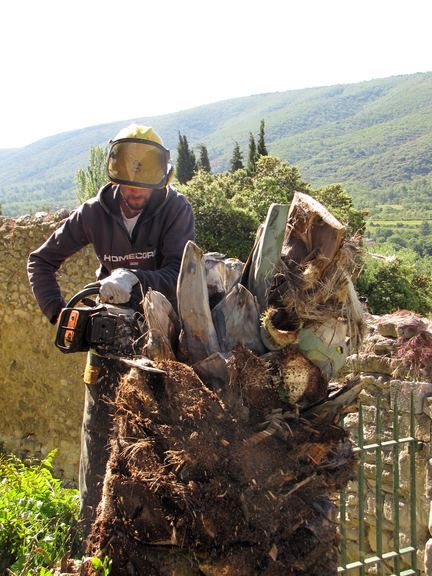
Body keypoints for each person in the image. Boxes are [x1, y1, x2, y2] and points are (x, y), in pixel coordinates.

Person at [27, 124, 195, 536]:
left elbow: (179, 273)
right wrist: (60, 316)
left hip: (159, 344)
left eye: (143, 186)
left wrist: (136, 280)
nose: (134, 193)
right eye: (126, 184)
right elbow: (41, 261)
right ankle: (92, 539)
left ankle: (150, 540)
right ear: (113, 174)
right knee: (96, 433)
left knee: (156, 442)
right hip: (105, 342)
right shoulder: (93, 213)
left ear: (162, 177)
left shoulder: (175, 209)